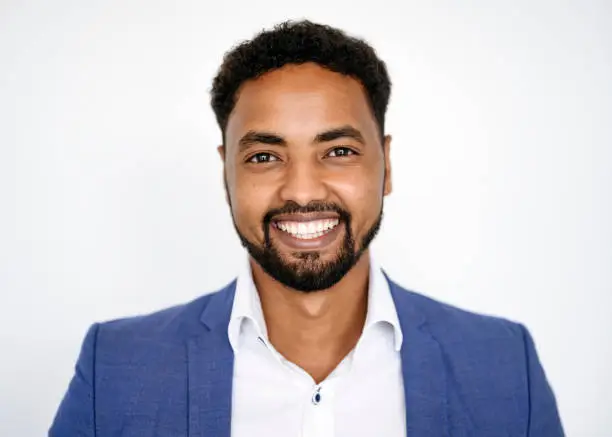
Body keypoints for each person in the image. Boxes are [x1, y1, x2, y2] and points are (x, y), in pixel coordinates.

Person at [49, 20, 564, 437]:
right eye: (265, 155)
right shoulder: (115, 367)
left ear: (385, 164)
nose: (301, 190)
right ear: (225, 171)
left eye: (338, 152)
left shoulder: (503, 365)